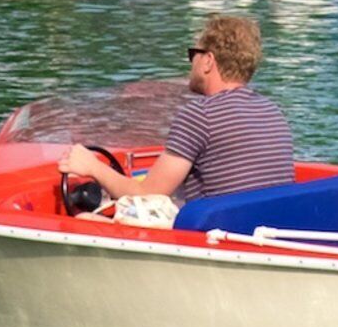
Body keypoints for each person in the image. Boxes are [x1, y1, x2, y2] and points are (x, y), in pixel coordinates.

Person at [60, 13, 293, 210]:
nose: (190, 64)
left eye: (193, 54)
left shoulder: (200, 115)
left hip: (216, 238)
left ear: (208, 62)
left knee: (86, 218)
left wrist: (92, 167)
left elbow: (146, 195)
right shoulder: (273, 113)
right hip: (260, 229)